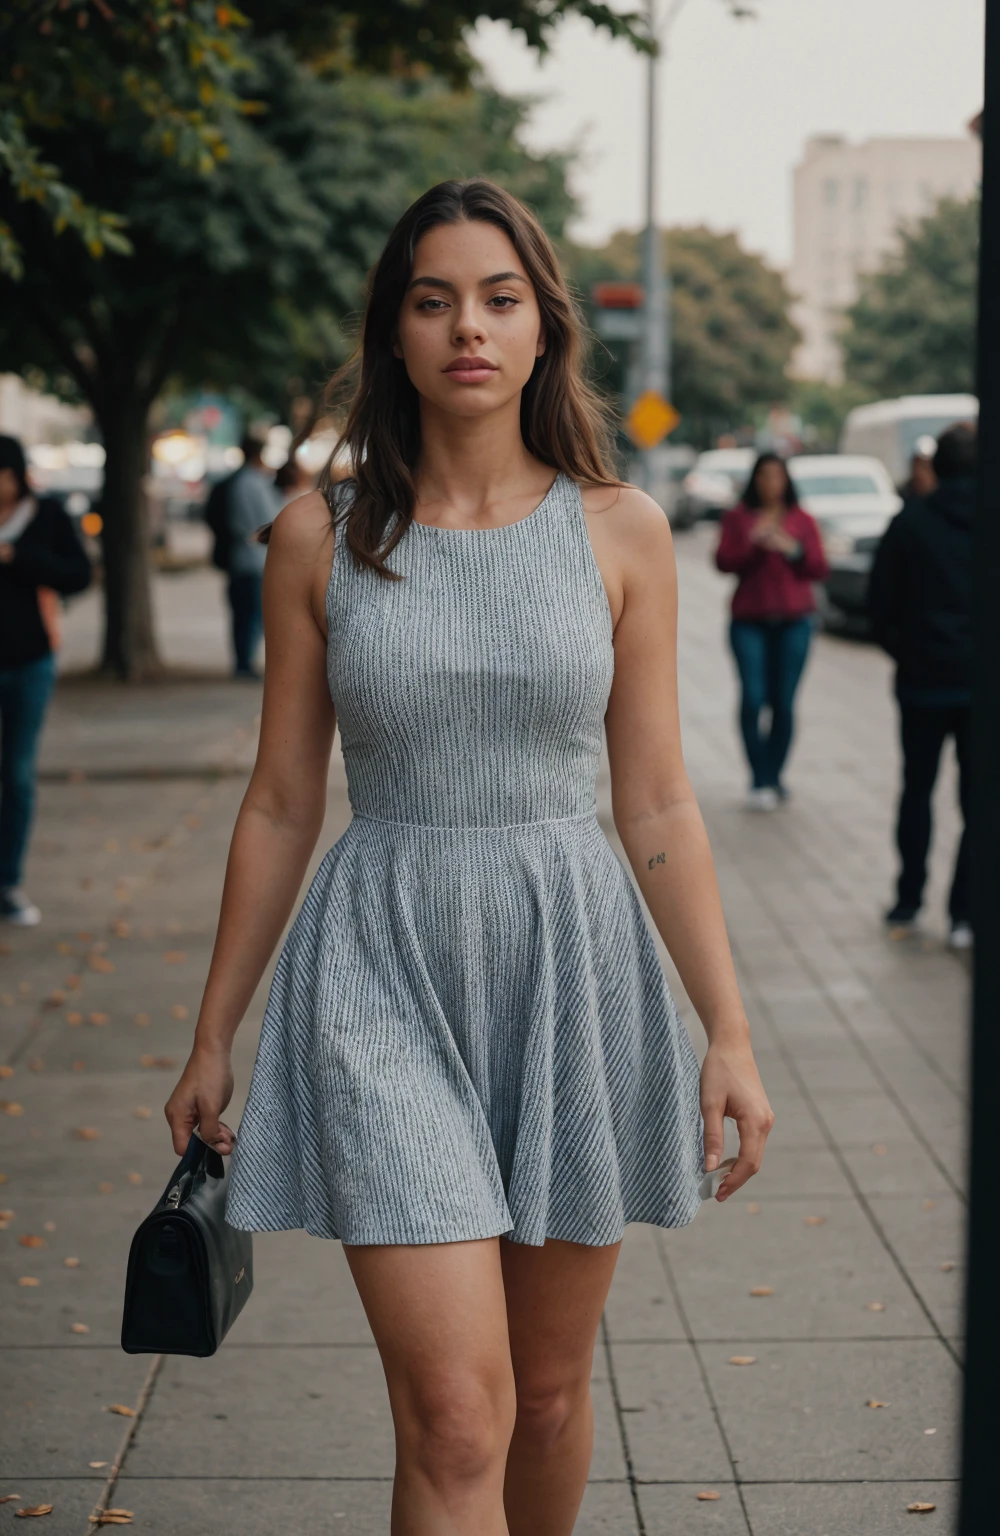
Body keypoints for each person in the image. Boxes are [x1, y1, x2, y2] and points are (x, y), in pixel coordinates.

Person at [164, 180, 774, 1536]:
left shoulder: (620, 531)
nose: (467, 329)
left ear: (544, 328)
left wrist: (727, 1030)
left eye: (499, 299)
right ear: (392, 332)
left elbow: (659, 800)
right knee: (455, 1414)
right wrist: (215, 1029)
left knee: (546, 1400)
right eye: (433, 301)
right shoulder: (319, 535)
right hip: (378, 966)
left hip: (574, 966)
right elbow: (278, 801)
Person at [0, 433, 91, 924]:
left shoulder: (46, 515)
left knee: (17, 777)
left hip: (31, 663)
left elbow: (79, 573)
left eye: (7, 476)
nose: (1, 487)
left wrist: (17, 558)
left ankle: (7, 884)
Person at [868, 422, 975, 948]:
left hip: (923, 683)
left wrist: (908, 653)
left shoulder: (910, 523)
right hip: (980, 690)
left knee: (918, 792)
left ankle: (909, 901)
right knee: (978, 805)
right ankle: (964, 915)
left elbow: (879, 605)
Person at [715, 453, 828, 809]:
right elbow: (722, 561)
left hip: (795, 622)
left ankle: (775, 776)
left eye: (777, 476)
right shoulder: (739, 517)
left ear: (786, 481)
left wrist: (790, 548)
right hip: (749, 620)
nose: (770, 483)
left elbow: (819, 568)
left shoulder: (802, 519)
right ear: (755, 480)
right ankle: (759, 778)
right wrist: (754, 543)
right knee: (752, 698)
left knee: (783, 702)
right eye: (764, 476)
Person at [225, 432, 280, 679]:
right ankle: (245, 664)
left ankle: (242, 662)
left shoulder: (238, 482)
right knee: (253, 615)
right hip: (256, 558)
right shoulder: (255, 483)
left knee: (242, 615)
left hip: (241, 556)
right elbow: (270, 519)